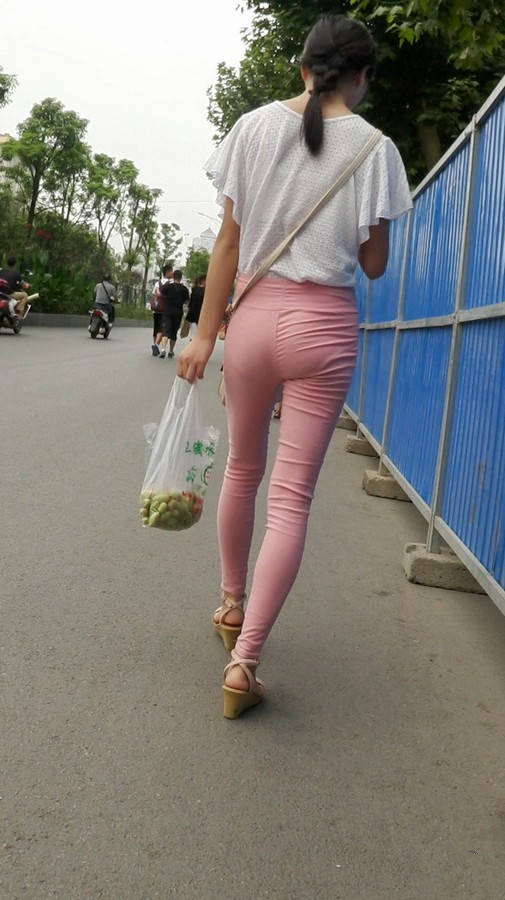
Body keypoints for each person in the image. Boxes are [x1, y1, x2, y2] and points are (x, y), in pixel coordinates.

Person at [177, 14, 412, 718]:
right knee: (290, 499)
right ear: (361, 76)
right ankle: (244, 665)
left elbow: (227, 244)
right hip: (323, 328)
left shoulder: (251, 128)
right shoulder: (375, 148)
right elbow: (373, 265)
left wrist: (203, 336)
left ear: (302, 67)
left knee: (242, 469)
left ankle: (230, 605)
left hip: (251, 320)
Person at [158, 270, 189, 359]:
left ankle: (163, 349)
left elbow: (160, 293)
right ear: (181, 277)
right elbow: (187, 301)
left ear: (173, 277)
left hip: (167, 311)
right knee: (174, 332)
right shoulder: (184, 289)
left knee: (165, 331)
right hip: (178, 312)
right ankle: (171, 351)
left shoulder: (168, 286)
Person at [151, 264, 173, 356]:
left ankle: (155, 346)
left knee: (156, 328)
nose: (172, 273)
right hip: (165, 309)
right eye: (171, 271)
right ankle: (156, 345)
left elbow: (154, 295)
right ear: (167, 272)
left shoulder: (157, 283)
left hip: (156, 309)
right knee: (162, 329)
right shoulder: (171, 283)